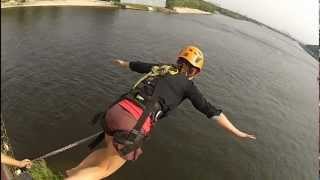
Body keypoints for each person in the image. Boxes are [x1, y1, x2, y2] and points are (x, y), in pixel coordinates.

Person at [66, 45, 256, 180]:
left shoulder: (162, 68)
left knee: (107, 152)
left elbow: (137, 65)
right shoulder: (188, 87)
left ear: (178, 60)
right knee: (105, 169)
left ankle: (72, 172)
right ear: (196, 72)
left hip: (116, 110)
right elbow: (210, 110)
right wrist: (237, 132)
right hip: (132, 124)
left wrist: (121, 62)